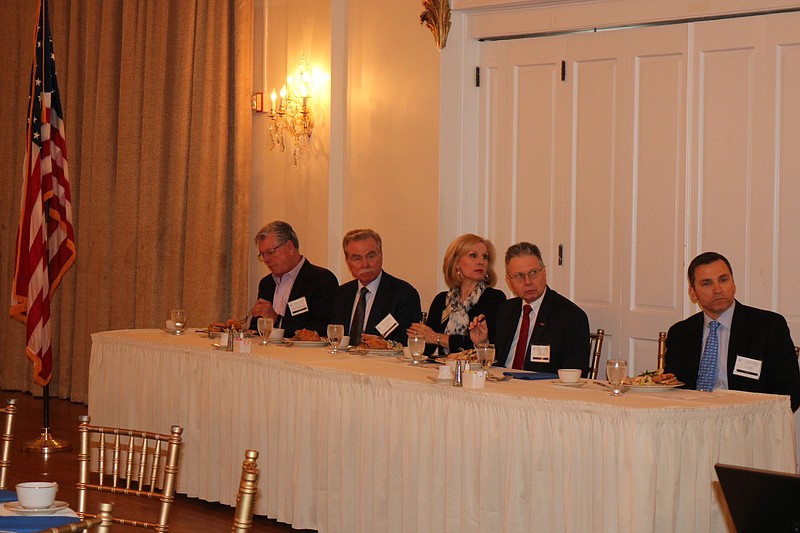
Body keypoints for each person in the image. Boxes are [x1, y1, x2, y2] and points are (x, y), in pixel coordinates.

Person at [665, 251, 800, 411]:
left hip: (748, 421)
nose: (718, 289)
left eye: (723, 280)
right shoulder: (680, 333)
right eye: (707, 283)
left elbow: (790, 391)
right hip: (692, 421)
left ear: (733, 284)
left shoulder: (768, 326)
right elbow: (672, 387)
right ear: (693, 293)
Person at [470, 242, 590, 375]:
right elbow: (497, 363)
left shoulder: (570, 317)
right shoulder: (506, 310)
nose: (528, 282)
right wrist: (482, 344)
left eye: (533, 273)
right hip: (503, 388)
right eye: (519, 276)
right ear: (509, 281)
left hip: (543, 391)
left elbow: (575, 374)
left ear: (544, 271)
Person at [407, 234, 506, 355]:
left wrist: (437, 338)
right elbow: (427, 349)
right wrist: (420, 336)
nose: (481, 261)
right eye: (473, 256)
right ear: (456, 263)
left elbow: (480, 344)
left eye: (485, 257)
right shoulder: (441, 300)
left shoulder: (494, 298)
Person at [249, 221, 338, 338]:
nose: (266, 260)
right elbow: (255, 329)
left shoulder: (321, 280)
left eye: (270, 252)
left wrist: (277, 320)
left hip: (302, 355)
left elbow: (323, 328)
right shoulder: (266, 283)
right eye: (262, 255)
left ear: (289, 247)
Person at [333, 229, 422, 345]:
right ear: (348, 261)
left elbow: (408, 342)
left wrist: (383, 344)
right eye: (357, 258)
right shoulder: (341, 294)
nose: (365, 264)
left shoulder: (403, 294)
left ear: (381, 255)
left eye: (370, 256)